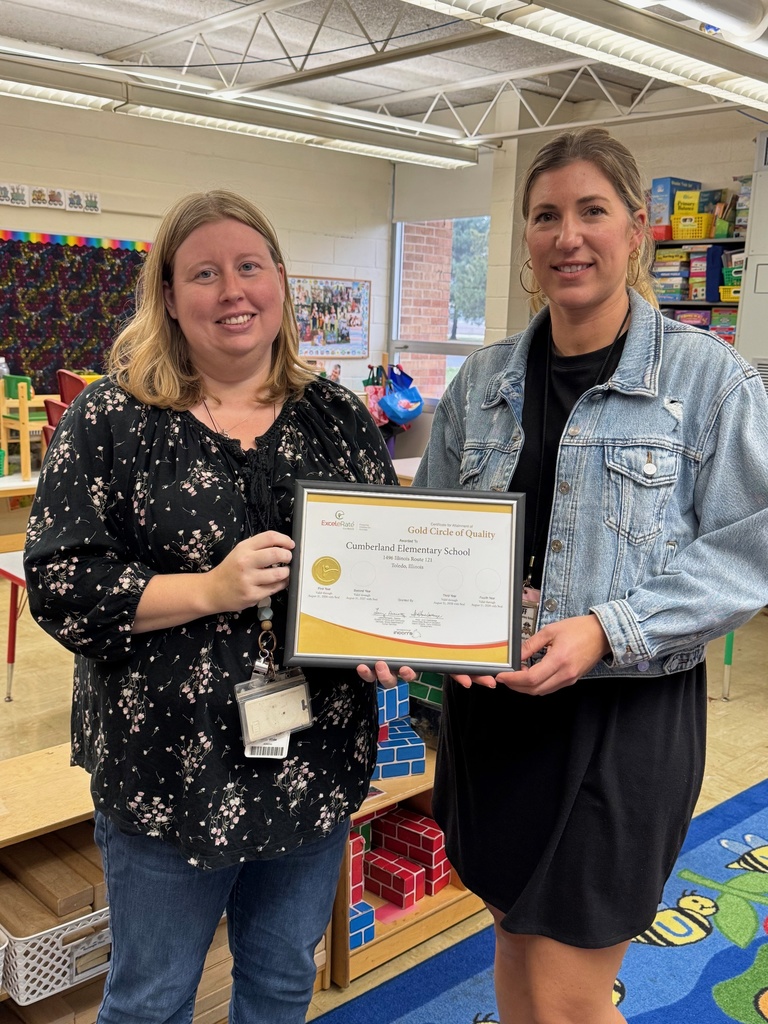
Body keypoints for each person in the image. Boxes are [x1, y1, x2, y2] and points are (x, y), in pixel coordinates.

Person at [411, 127, 768, 1024]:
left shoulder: (709, 380)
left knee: (570, 997)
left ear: (637, 228)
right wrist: (403, 623)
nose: (567, 236)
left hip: (620, 720)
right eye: (545, 216)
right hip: (494, 716)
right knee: (514, 943)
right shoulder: (483, 381)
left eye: (591, 212)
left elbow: (751, 549)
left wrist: (609, 627)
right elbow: (431, 529)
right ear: (527, 239)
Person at [24, 189, 401, 1024]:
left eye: (249, 267)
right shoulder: (110, 420)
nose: (232, 291)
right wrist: (209, 590)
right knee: (152, 998)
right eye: (203, 273)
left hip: (312, 759)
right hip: (168, 768)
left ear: (280, 283)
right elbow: (60, 585)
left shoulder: (337, 418)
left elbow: (382, 566)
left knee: (280, 979)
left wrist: (394, 634)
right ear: (167, 295)